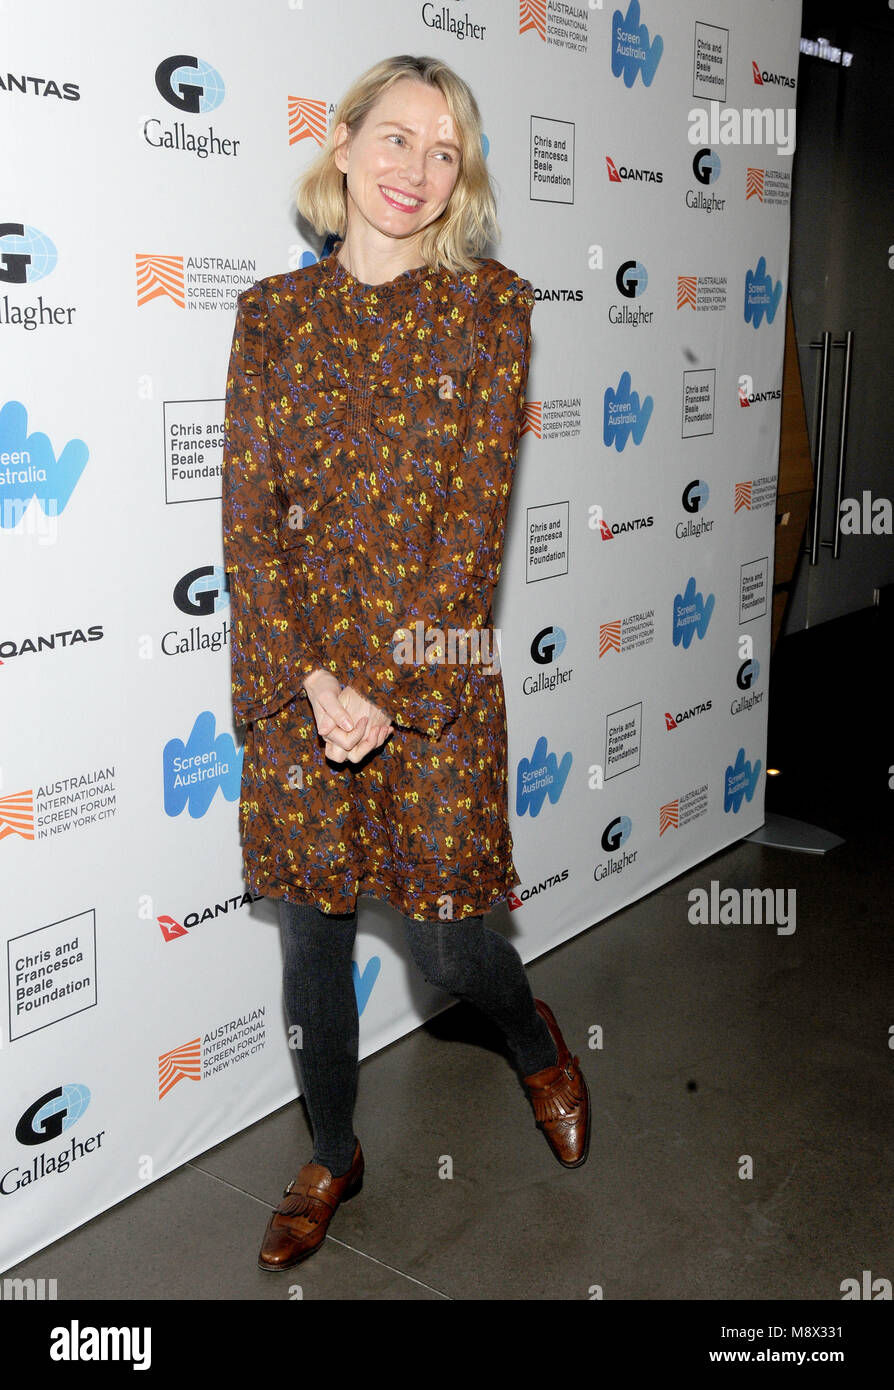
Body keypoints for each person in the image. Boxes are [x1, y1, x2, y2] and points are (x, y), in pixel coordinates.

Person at [221, 54, 589, 1274]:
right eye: (396, 139)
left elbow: (474, 523)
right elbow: (248, 520)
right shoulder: (272, 315)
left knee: (447, 943)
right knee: (314, 938)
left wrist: (388, 692)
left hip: (427, 690)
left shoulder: (492, 308)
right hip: (302, 684)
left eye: (445, 151)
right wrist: (310, 685)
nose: (417, 171)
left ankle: (532, 1036)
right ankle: (334, 1150)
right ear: (341, 147)